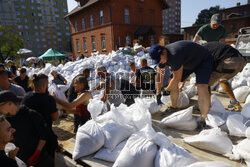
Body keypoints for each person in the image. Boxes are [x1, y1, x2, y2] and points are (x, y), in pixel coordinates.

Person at [149, 41, 213, 130]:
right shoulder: (162, 57)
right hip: (188, 62)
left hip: (203, 60)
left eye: (160, 59)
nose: (160, 62)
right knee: (170, 80)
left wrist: (166, 90)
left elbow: (177, 79)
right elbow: (160, 75)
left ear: (164, 52)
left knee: (201, 86)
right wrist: (158, 93)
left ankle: (203, 119)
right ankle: (174, 107)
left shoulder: (174, 54)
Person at [0, 91, 54, 167]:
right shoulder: (6, 119)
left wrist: (37, 153)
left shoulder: (32, 115)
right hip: (21, 158)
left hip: (39, 158)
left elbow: (43, 136)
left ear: (9, 103)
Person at [22, 74, 58, 160]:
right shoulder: (49, 99)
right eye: (47, 84)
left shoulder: (26, 96)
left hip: (29, 136)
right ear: (43, 85)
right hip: (45, 137)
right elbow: (55, 118)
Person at [204, 42, 247, 110]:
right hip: (241, 61)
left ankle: (206, 105)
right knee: (223, 80)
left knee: (205, 83)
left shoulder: (202, 49)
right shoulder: (212, 46)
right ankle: (234, 102)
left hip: (229, 61)